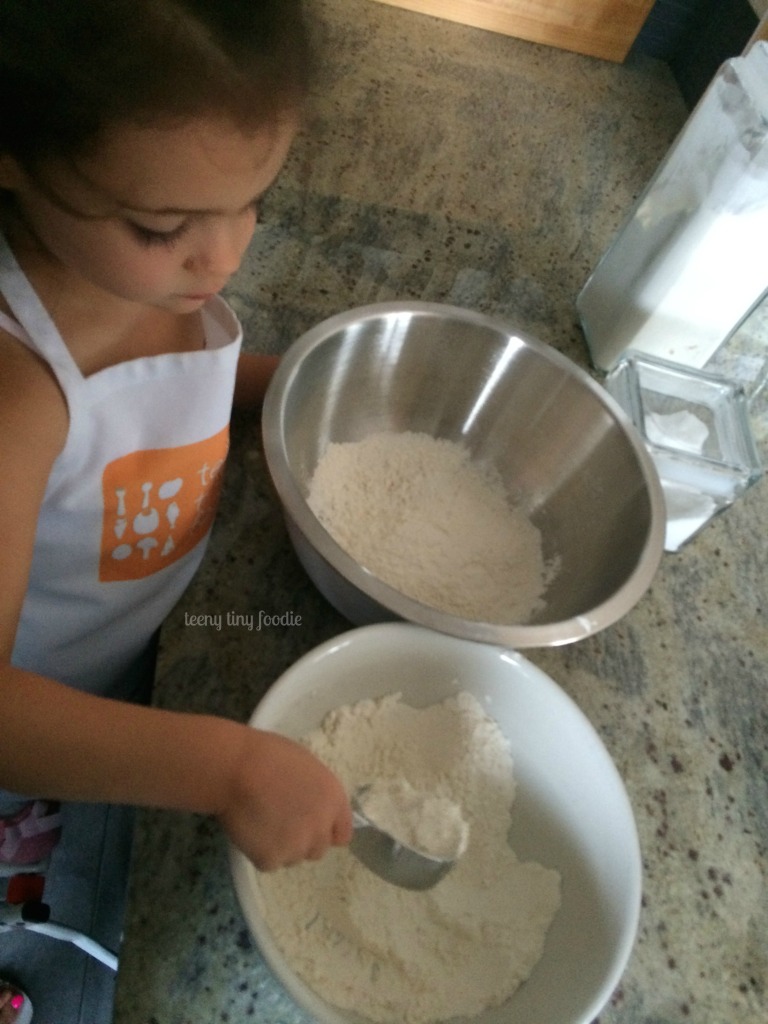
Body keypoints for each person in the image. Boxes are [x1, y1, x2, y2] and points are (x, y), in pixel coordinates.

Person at [0, 2, 353, 1019]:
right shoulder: (18, 389)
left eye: (255, 200)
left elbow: (170, 376)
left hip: (120, 646)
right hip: (40, 719)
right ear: (13, 153)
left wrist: (280, 389)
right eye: (165, 228)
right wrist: (225, 765)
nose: (225, 259)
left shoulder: (141, 269)